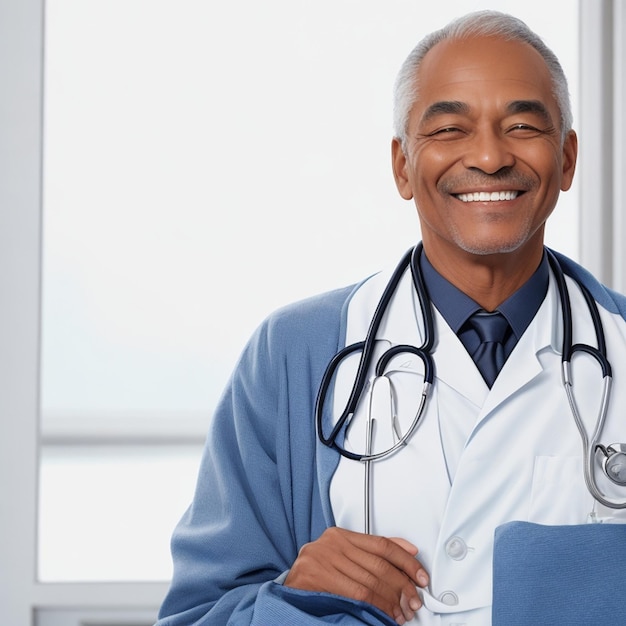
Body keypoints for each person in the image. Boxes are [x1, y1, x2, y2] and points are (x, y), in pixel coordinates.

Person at [155, 10, 626, 626]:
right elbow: (197, 615)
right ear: (403, 165)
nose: (488, 156)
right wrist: (290, 597)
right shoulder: (294, 354)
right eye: (450, 129)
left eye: (520, 125)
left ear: (566, 160)